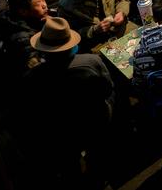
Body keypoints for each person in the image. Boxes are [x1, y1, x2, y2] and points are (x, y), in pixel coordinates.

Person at [21, 17, 115, 180]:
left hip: (61, 131)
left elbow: (33, 109)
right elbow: (107, 89)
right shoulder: (92, 61)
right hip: (95, 120)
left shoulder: (32, 77)